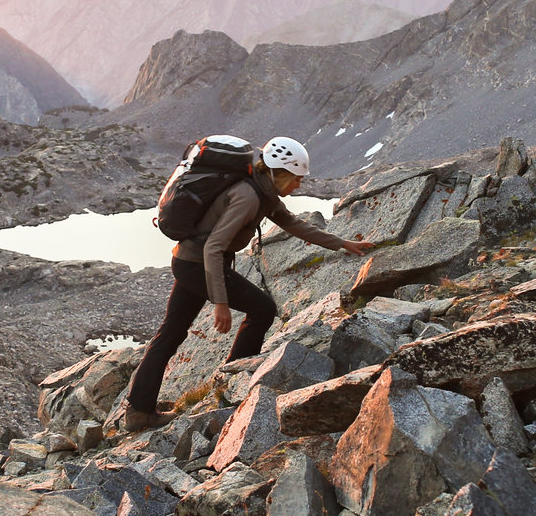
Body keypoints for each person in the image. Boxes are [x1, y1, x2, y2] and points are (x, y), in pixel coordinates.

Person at [121, 137, 371, 432]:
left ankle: (139, 410)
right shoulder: (248, 197)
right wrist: (221, 303)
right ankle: (234, 379)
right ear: (282, 174)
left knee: (170, 334)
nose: (299, 186)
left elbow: (293, 224)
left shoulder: (264, 194)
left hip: (189, 261)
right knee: (262, 309)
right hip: (198, 264)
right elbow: (213, 248)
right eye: (297, 179)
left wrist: (342, 243)